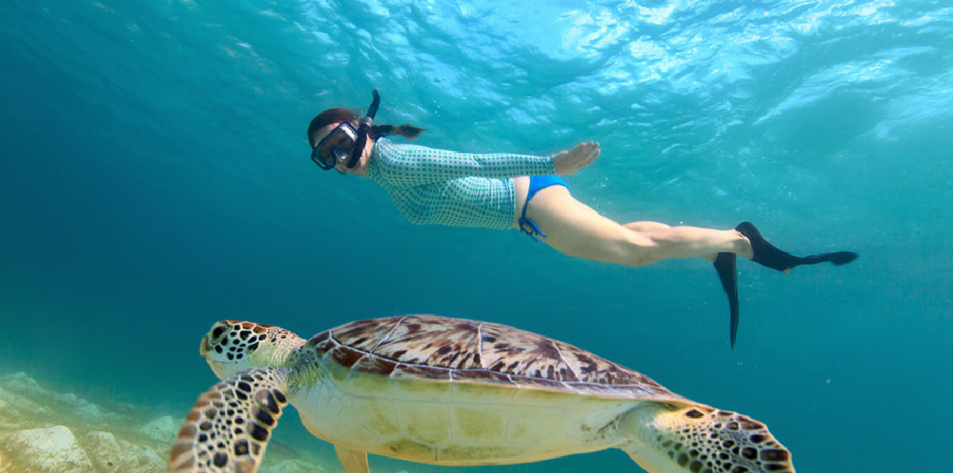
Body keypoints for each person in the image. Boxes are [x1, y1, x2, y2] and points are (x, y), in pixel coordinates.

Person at [308, 91, 858, 347]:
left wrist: (554, 162)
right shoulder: (384, 170)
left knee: (633, 254)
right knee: (636, 240)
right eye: (324, 155)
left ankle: (739, 244)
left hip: (527, 203)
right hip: (529, 206)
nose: (337, 157)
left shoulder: (394, 159)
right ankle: (723, 243)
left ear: (360, 129)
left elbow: (474, 162)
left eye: (337, 141)